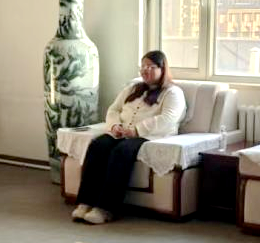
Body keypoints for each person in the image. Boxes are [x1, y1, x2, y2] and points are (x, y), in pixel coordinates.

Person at [72, 50, 186, 225]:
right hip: (122, 132)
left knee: (121, 152)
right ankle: (85, 202)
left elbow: (168, 119)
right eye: (143, 66)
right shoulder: (133, 88)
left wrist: (136, 130)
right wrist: (115, 126)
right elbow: (113, 109)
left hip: (150, 135)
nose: (145, 70)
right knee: (98, 145)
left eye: (151, 67)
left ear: (162, 69)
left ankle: (105, 208)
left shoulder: (172, 92)